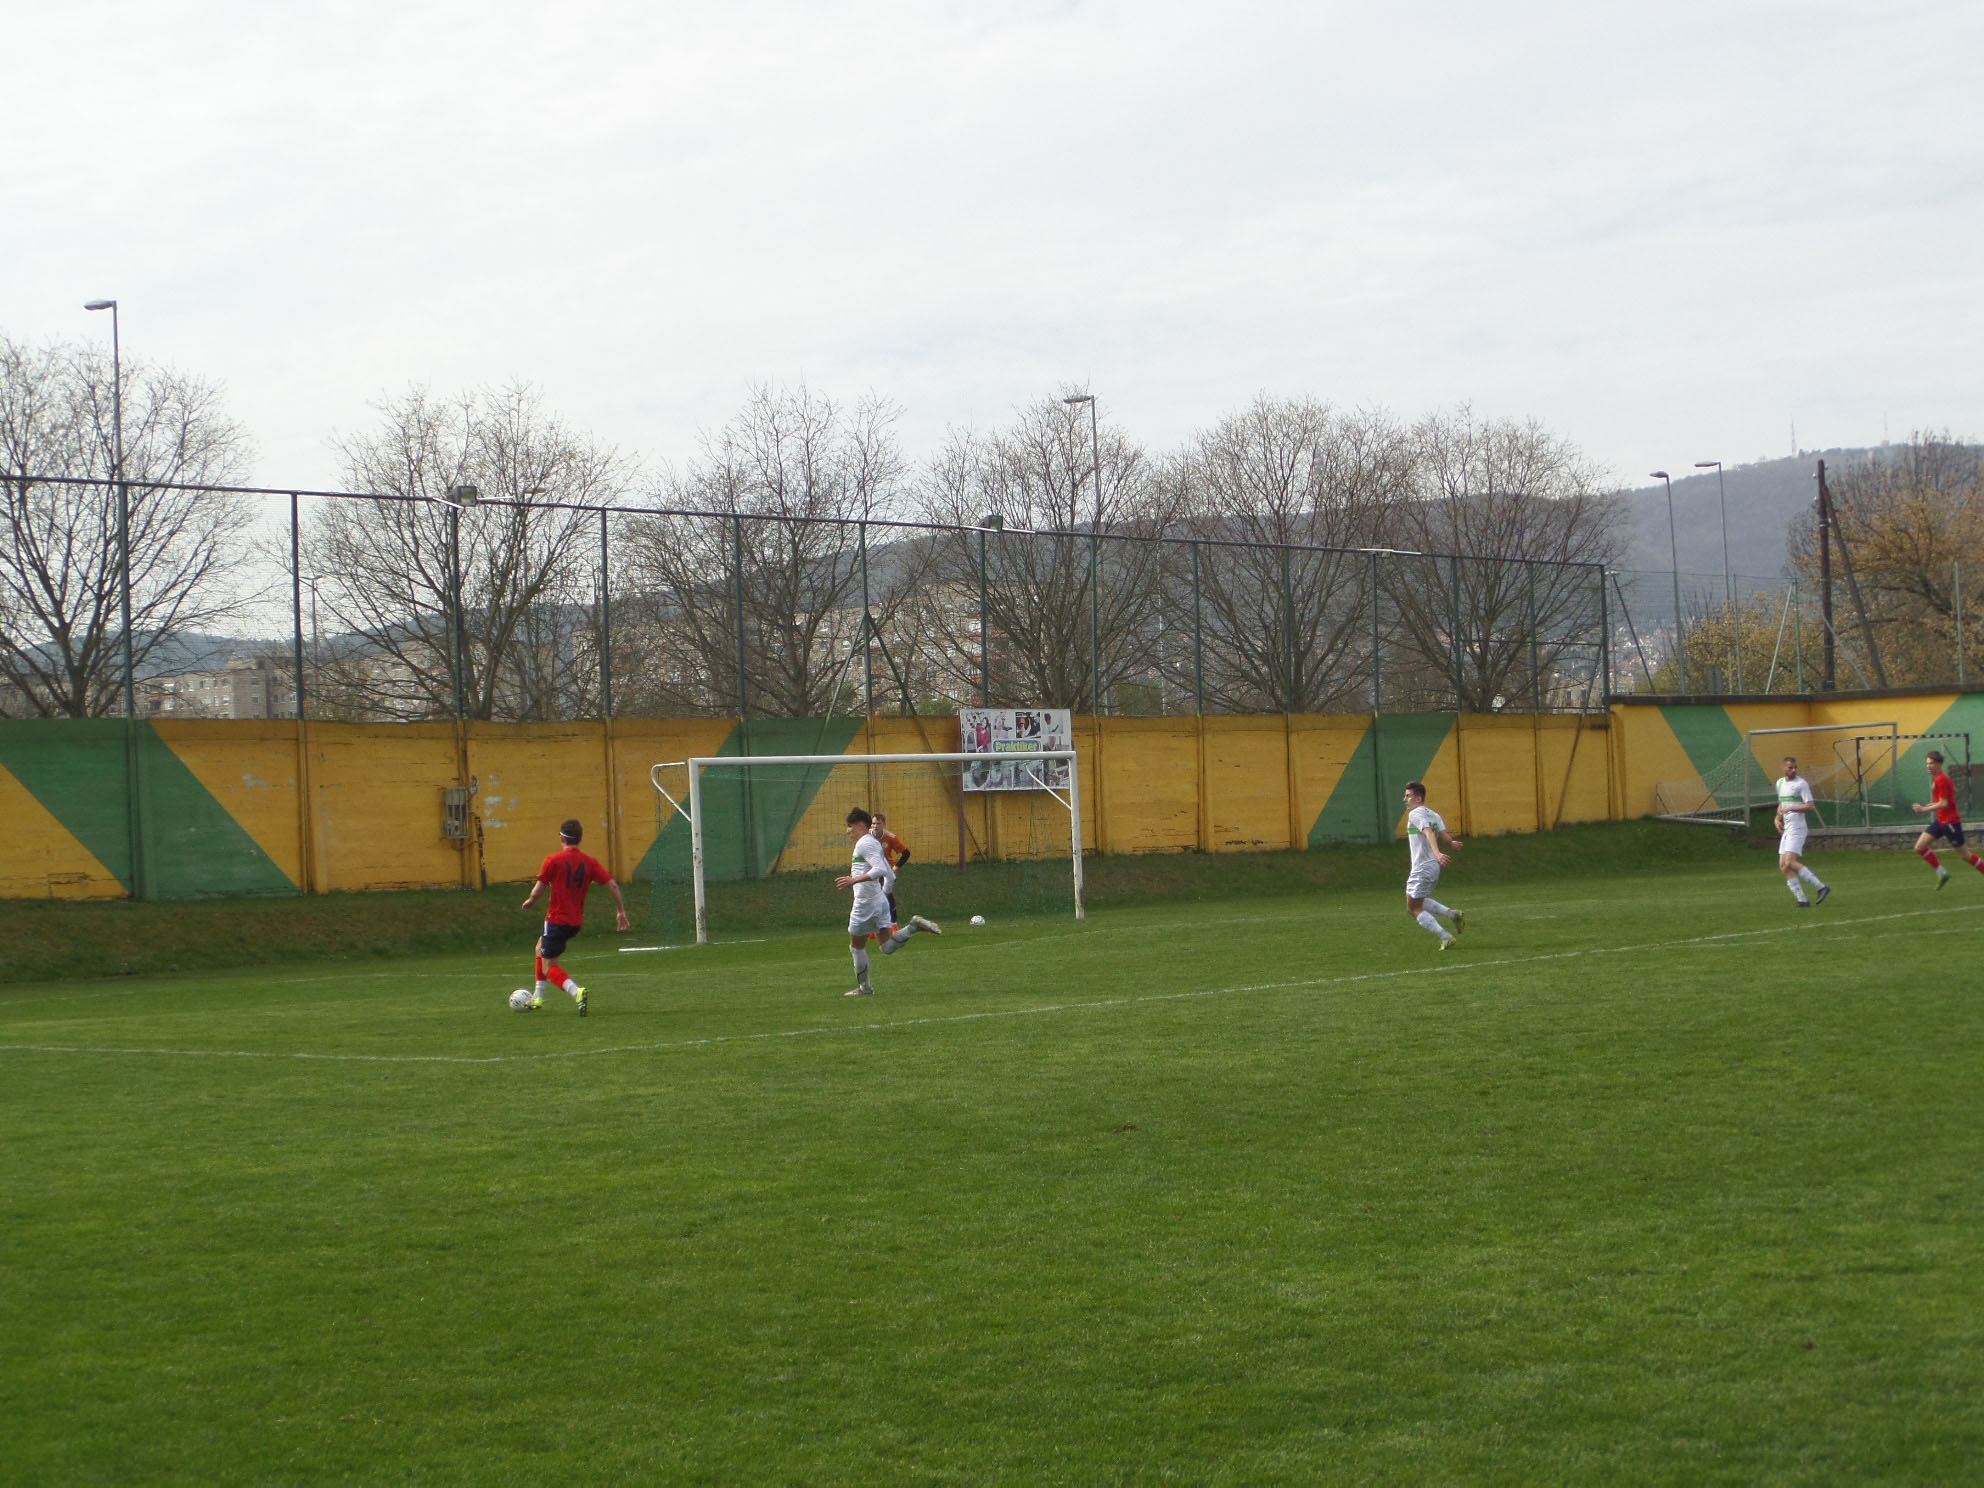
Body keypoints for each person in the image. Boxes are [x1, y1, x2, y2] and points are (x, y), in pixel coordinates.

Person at [519, 818, 629, 1015]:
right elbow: (612, 885)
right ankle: (538, 997)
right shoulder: (590, 862)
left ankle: (576, 992)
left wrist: (530, 901)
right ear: (580, 838)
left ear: (562, 838)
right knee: (539, 948)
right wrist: (620, 911)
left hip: (556, 920)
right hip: (575, 922)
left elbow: (539, 888)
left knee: (549, 968)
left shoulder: (553, 860)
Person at [835, 807, 939, 996]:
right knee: (886, 947)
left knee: (856, 947)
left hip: (865, 904)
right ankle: (913, 927)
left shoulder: (864, 844)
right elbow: (889, 874)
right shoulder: (873, 842)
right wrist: (884, 894)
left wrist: (854, 880)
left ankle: (865, 989)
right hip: (878, 900)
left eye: (850, 826)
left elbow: (879, 870)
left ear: (860, 825)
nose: (848, 830)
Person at [1401, 781, 1465, 950]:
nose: (1405, 799)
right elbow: (1443, 835)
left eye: (1408, 796)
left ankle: (1445, 937)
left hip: (1423, 867)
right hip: (1432, 867)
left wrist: (1437, 853)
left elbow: (1428, 832)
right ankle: (1453, 915)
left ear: (1418, 798)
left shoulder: (1415, 813)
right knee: (1417, 901)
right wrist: (1451, 843)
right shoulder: (1434, 814)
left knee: (1412, 908)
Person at [1910, 749, 1984, 888]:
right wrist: (1934, 804)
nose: (1928, 766)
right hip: (1941, 821)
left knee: (1965, 856)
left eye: (1931, 763)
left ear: (1939, 764)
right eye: (1927, 763)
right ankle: (1942, 873)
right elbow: (1948, 796)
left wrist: (1923, 809)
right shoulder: (1940, 778)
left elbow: (1944, 803)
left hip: (1950, 823)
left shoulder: (1941, 779)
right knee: (1920, 847)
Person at [1772, 757, 1831, 909]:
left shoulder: (1801, 784)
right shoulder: (1779, 783)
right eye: (1790, 767)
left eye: (1795, 767)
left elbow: (1810, 806)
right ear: (1783, 768)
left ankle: (1821, 887)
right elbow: (1782, 804)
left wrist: (1792, 808)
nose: (1794, 770)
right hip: (1788, 828)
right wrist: (1777, 818)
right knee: (1783, 866)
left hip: (1798, 828)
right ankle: (1802, 900)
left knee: (1790, 862)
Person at [869, 811, 911, 938]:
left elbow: (906, 853)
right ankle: (873, 928)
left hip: (887, 871)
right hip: (872, 871)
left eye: (878, 823)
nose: (875, 826)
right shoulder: (867, 837)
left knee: (886, 896)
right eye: (873, 823)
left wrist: (896, 867)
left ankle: (893, 925)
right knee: (871, 897)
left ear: (884, 824)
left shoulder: (890, 837)